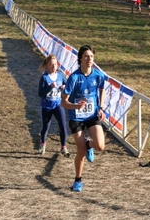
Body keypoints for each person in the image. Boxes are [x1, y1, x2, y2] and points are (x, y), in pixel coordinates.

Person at [61, 45, 106, 192]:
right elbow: (63, 102)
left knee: (100, 146)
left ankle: (89, 144)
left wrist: (101, 107)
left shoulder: (98, 75)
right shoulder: (73, 78)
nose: (89, 59)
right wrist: (76, 106)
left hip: (92, 115)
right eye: (86, 56)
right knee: (80, 152)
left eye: (91, 56)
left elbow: (102, 88)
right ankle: (78, 180)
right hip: (77, 117)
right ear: (80, 59)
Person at [38, 55, 70, 157]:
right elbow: (40, 93)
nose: (53, 67)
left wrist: (64, 87)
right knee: (46, 127)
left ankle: (63, 147)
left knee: (63, 126)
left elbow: (68, 85)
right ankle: (43, 144)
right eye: (51, 65)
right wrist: (49, 87)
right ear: (47, 65)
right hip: (47, 106)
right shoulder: (44, 77)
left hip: (58, 105)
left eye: (55, 64)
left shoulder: (61, 75)